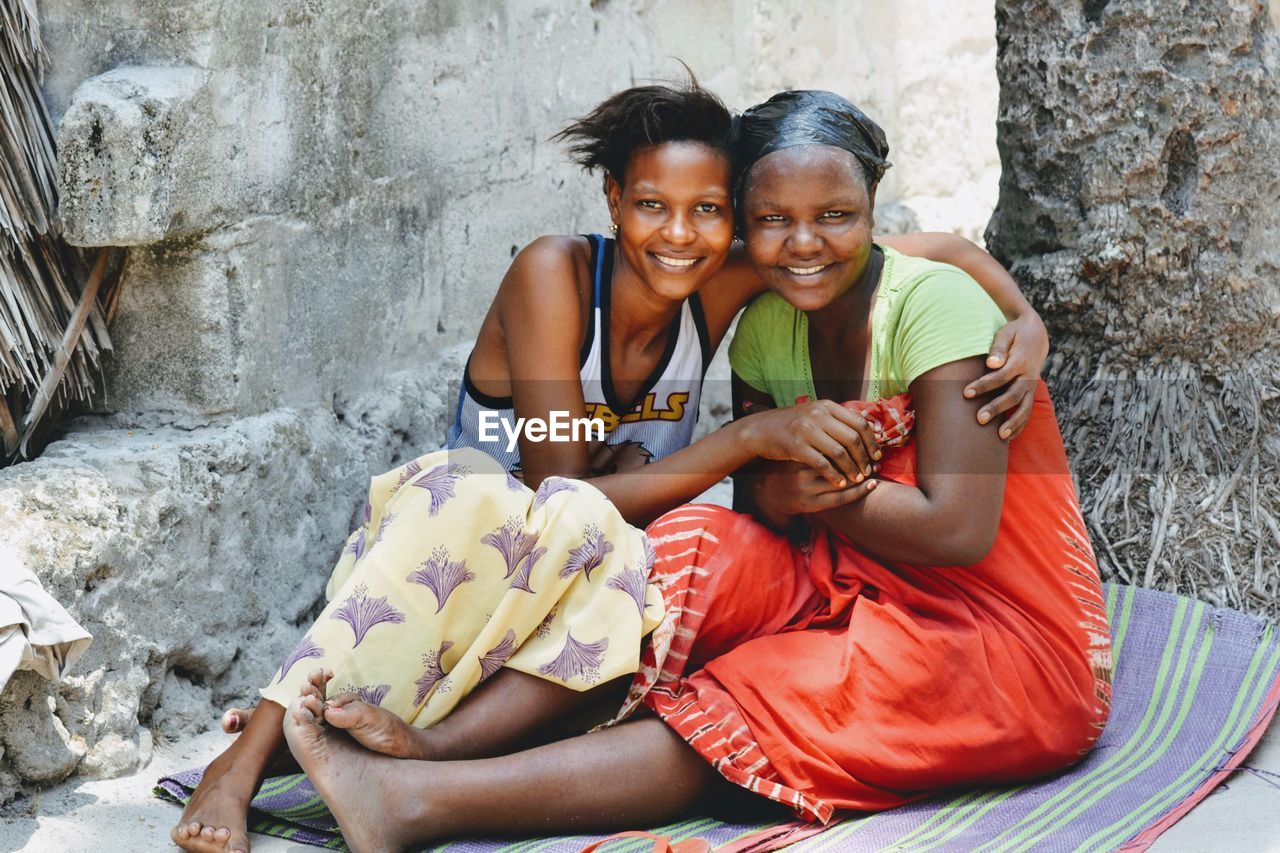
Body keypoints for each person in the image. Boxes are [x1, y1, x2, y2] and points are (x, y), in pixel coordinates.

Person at [171, 80, 1053, 853]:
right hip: (462, 550)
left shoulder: (726, 280)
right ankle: (241, 760)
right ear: (612, 199)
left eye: (709, 210)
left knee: (646, 557)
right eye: (651, 207)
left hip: (581, 562)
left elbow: (923, 250)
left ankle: (423, 765)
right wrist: (748, 441)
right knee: (477, 494)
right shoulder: (553, 276)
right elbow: (557, 488)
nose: (680, 233)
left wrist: (1022, 319)